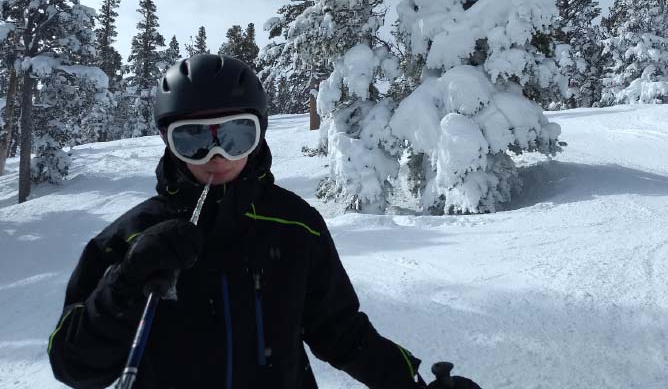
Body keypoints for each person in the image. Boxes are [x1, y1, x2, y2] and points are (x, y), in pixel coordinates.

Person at [47, 54, 481, 389]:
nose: (216, 157)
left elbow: (340, 331)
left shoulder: (295, 225)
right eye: (193, 139)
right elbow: (72, 364)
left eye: (235, 135)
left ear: (259, 137)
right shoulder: (132, 238)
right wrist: (124, 283)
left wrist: (412, 383)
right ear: (167, 141)